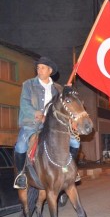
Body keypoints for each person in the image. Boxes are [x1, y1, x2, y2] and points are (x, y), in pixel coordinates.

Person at [13, 56, 81, 189]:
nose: (39, 70)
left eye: (42, 67)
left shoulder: (58, 88)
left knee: (75, 142)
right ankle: (21, 175)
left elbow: (66, 106)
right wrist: (38, 114)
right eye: (38, 67)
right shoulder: (28, 84)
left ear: (50, 70)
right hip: (32, 123)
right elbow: (25, 104)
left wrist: (69, 92)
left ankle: (71, 170)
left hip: (54, 125)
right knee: (20, 146)